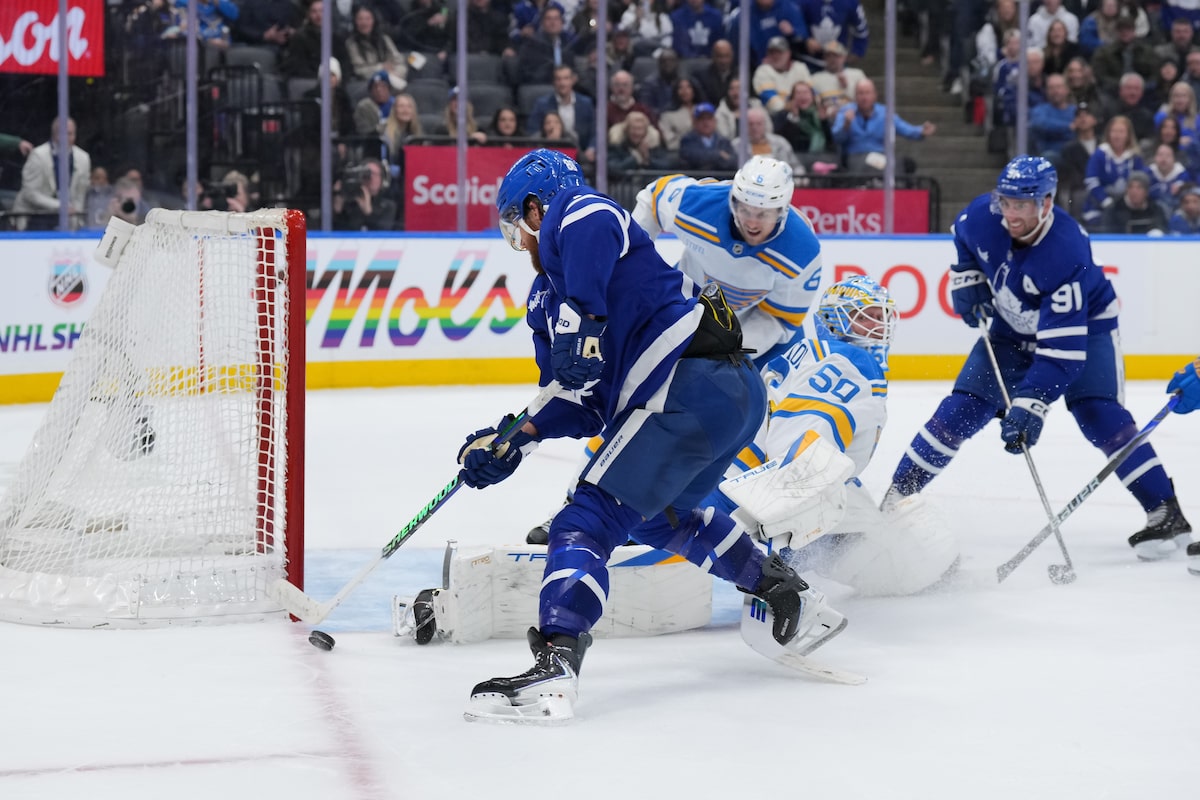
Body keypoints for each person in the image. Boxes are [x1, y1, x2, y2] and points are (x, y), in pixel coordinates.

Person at [460, 149, 842, 723]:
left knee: (583, 520)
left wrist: (588, 322)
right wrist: (517, 436)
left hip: (685, 380)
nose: (523, 247)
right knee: (656, 517)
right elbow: (581, 402)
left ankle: (556, 665)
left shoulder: (578, 214)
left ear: (535, 210)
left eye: (518, 230)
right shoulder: (544, 303)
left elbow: (595, 221)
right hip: (725, 398)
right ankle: (786, 592)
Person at [886, 155, 1192, 561]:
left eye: (1023, 205)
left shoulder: (1067, 250)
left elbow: (1061, 353)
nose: (1011, 214)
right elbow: (963, 235)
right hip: (1011, 332)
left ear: (1046, 203)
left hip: (1088, 328)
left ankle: (1165, 511)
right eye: (1007, 202)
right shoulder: (982, 214)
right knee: (961, 409)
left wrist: (1032, 404)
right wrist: (967, 275)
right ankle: (891, 503)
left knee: (1098, 413)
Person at [705, 275, 960, 597]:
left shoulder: (812, 352)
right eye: (865, 316)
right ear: (833, 321)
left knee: (871, 541)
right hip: (751, 496)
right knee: (896, 568)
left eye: (882, 318)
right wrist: (774, 553)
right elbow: (799, 443)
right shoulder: (850, 360)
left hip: (733, 480)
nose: (878, 327)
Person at [634, 155, 822, 367]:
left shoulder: (802, 250)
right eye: (744, 209)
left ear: (782, 210)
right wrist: (633, 262)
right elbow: (653, 198)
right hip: (687, 303)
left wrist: (726, 349)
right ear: (733, 200)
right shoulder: (700, 203)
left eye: (763, 214)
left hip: (754, 326)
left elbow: (779, 319)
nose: (751, 222)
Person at [832, 78, 936, 174]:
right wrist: (846, 125)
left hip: (879, 157)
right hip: (854, 158)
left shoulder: (885, 113)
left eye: (867, 93)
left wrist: (921, 131)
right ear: (855, 96)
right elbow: (836, 138)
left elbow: (905, 128)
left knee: (903, 164)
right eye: (860, 93)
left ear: (874, 95)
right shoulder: (845, 111)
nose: (864, 97)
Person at [13, 116, 91, 231]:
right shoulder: (38, 156)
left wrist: (76, 222)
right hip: (34, 218)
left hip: (67, 220)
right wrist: (60, 206)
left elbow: (80, 194)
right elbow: (30, 194)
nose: (67, 138)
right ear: (54, 134)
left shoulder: (83, 158)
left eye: (70, 134)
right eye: (63, 133)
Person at [1098, 169, 1169, 234]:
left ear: (1146, 192)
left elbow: (1163, 230)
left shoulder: (1155, 210)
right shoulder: (1114, 209)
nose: (1134, 191)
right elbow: (1107, 234)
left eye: (1139, 187)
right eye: (1130, 187)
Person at [732, 106, 800, 170]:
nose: (754, 128)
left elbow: (796, 166)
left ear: (765, 124)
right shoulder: (736, 145)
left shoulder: (781, 143)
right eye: (751, 124)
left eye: (758, 124)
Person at [678, 102, 738, 171]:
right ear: (695, 122)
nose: (706, 122)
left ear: (715, 121)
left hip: (720, 179)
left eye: (709, 118)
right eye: (701, 119)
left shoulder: (724, 141)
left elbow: (733, 162)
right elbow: (694, 158)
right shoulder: (687, 140)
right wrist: (719, 155)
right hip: (696, 180)